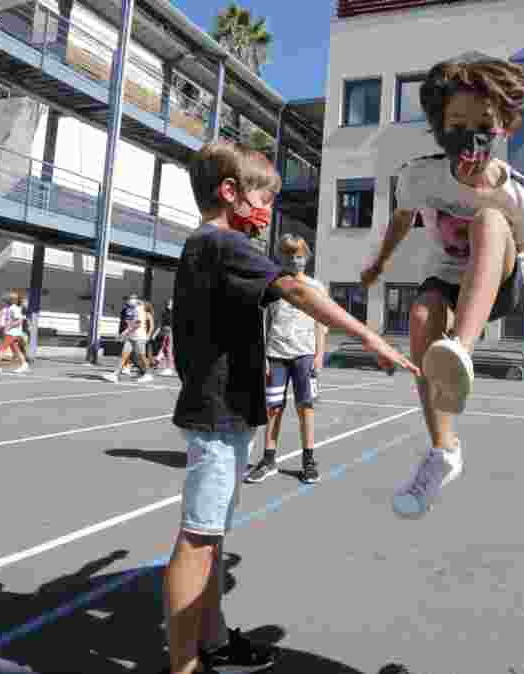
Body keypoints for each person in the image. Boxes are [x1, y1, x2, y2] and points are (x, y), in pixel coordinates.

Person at [161, 140, 417, 674]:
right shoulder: (224, 245)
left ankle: (212, 641)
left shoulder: (212, 247)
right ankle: (184, 665)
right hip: (218, 411)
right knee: (198, 539)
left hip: (225, 410)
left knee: (211, 537)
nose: (269, 209)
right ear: (229, 193)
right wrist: (374, 338)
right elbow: (299, 293)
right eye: (263, 196)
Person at [360, 52, 524, 519]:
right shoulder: (421, 175)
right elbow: (400, 220)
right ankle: (444, 451)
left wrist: (507, 260)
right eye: (457, 123)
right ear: (440, 125)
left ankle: (461, 344)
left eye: (484, 121)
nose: (470, 134)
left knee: (488, 218)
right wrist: (379, 263)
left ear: (506, 124)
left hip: (499, 281)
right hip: (446, 279)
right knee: (420, 320)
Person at [244, 234, 327, 485]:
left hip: (304, 355)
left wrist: (319, 355)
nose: (295, 260)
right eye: (289, 255)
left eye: (299, 255)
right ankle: (268, 459)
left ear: (307, 257)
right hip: (276, 355)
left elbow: (321, 323)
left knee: (306, 408)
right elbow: (263, 322)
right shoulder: (273, 286)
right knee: (273, 408)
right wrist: (264, 356)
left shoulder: (316, 287)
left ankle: (308, 461)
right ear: (281, 257)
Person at [105, 296, 152, 383]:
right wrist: (125, 333)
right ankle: (115, 375)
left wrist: (124, 333)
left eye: (131, 298)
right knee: (124, 355)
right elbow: (129, 324)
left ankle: (148, 374)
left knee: (141, 356)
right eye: (128, 299)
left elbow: (137, 324)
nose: (129, 300)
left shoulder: (139, 310)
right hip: (130, 336)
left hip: (139, 336)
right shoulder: (128, 310)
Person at [0, 291, 30, 374]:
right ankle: (24, 364)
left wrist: (9, 327)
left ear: (10, 301)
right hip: (11, 332)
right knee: (15, 348)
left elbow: (19, 320)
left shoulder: (14, 308)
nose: (3, 302)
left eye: (5, 300)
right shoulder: (8, 308)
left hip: (12, 332)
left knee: (2, 348)